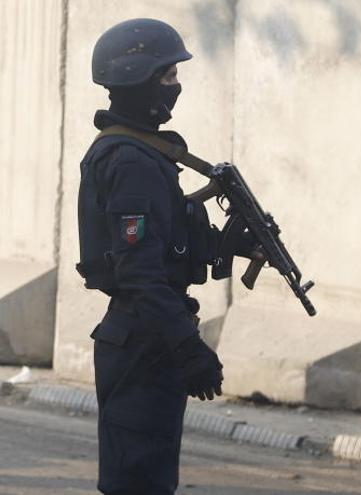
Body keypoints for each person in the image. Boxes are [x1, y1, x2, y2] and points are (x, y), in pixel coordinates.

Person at [76, 18, 224, 494]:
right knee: (137, 483)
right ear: (139, 80)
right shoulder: (130, 161)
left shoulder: (145, 154)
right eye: (167, 76)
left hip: (147, 335)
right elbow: (139, 273)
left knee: (148, 480)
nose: (176, 86)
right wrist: (187, 346)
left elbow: (169, 245)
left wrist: (230, 243)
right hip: (144, 339)